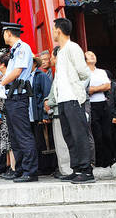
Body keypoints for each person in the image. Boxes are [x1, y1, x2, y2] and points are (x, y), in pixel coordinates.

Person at [48, 18, 94, 184]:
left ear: (59, 30)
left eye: (54, 29)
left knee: (79, 134)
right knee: (69, 135)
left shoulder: (73, 47)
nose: (53, 32)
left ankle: (86, 170)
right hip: (63, 100)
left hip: (73, 98)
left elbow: (84, 73)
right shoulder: (60, 52)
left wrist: (76, 88)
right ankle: (77, 169)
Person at [0, 22, 38, 182]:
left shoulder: (22, 47)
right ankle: (19, 169)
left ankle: (30, 170)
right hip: (11, 96)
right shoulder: (13, 50)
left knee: (23, 134)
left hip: (19, 95)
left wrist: (1, 83)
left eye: (3, 32)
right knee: (14, 135)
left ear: (8, 33)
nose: (3, 35)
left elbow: (17, 71)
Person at [44, 46, 73, 178]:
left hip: (59, 111)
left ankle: (67, 170)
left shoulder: (62, 72)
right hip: (62, 110)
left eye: (52, 56)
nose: (51, 59)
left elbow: (58, 92)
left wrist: (48, 103)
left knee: (62, 143)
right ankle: (66, 169)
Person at [85, 51, 114, 168]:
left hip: (103, 103)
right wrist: (99, 88)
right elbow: (86, 90)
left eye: (93, 54)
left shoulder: (101, 72)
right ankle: (99, 160)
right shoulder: (84, 73)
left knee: (107, 133)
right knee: (96, 134)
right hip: (90, 105)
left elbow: (108, 86)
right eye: (89, 55)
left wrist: (94, 89)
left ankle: (110, 159)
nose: (92, 56)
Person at [30, 56, 55, 175]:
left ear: (34, 63)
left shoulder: (41, 76)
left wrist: (46, 115)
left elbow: (47, 94)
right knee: (37, 142)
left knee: (45, 141)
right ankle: (40, 166)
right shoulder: (28, 76)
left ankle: (48, 167)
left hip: (41, 113)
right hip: (32, 114)